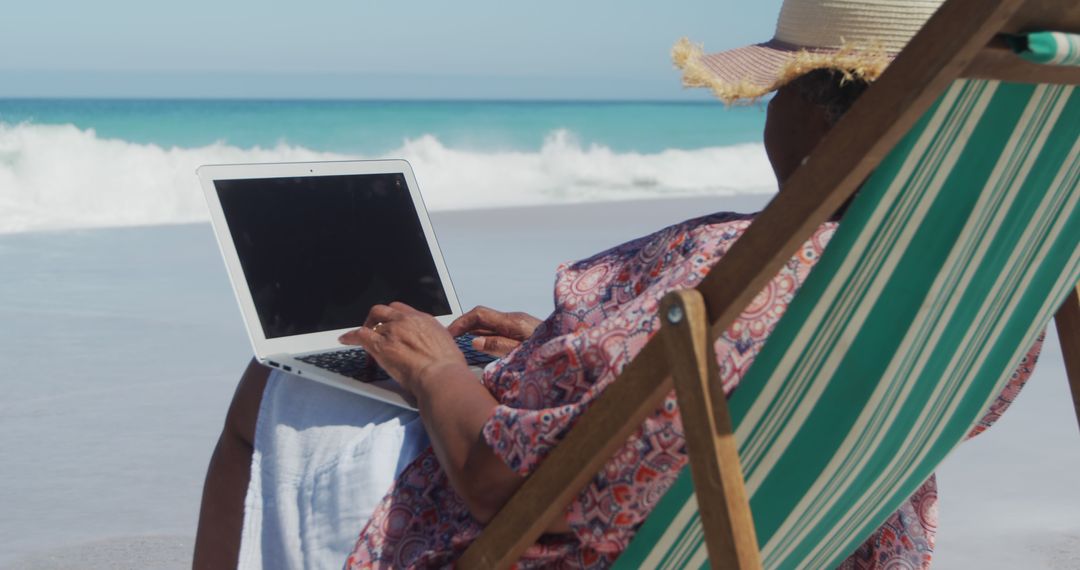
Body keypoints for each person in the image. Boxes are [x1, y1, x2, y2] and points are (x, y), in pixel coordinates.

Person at [193, 1, 1044, 568]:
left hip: (570, 539)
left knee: (269, 383)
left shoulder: (759, 284)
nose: (766, 114)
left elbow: (507, 486)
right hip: (810, 539)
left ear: (830, 113)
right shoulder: (985, 284)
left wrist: (434, 373)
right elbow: (715, 397)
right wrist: (570, 353)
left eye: (778, 88)